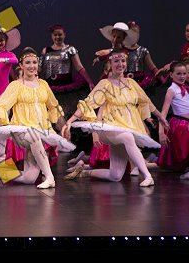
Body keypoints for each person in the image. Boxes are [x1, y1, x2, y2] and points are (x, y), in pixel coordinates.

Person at [62, 48, 169, 187]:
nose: (120, 64)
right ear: (110, 64)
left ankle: (84, 172)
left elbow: (147, 102)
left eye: (123, 61)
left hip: (126, 127)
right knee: (127, 137)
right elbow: (88, 103)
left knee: (115, 176)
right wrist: (70, 121)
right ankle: (148, 176)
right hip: (110, 129)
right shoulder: (105, 84)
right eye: (116, 61)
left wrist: (161, 118)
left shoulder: (132, 84)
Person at [0, 48, 75, 189]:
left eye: (34, 62)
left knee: (29, 178)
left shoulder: (43, 85)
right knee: (33, 136)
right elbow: (2, 107)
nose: (31, 66)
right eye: (28, 63)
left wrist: (64, 126)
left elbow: (54, 107)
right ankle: (50, 178)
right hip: (21, 130)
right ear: (21, 66)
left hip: (41, 130)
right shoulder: (16, 86)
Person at [156, 61, 189, 179]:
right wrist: (161, 133)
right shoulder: (172, 90)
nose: (182, 76)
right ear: (171, 75)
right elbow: (163, 113)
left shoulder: (186, 87)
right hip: (181, 124)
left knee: (175, 166)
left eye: (184, 73)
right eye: (178, 74)